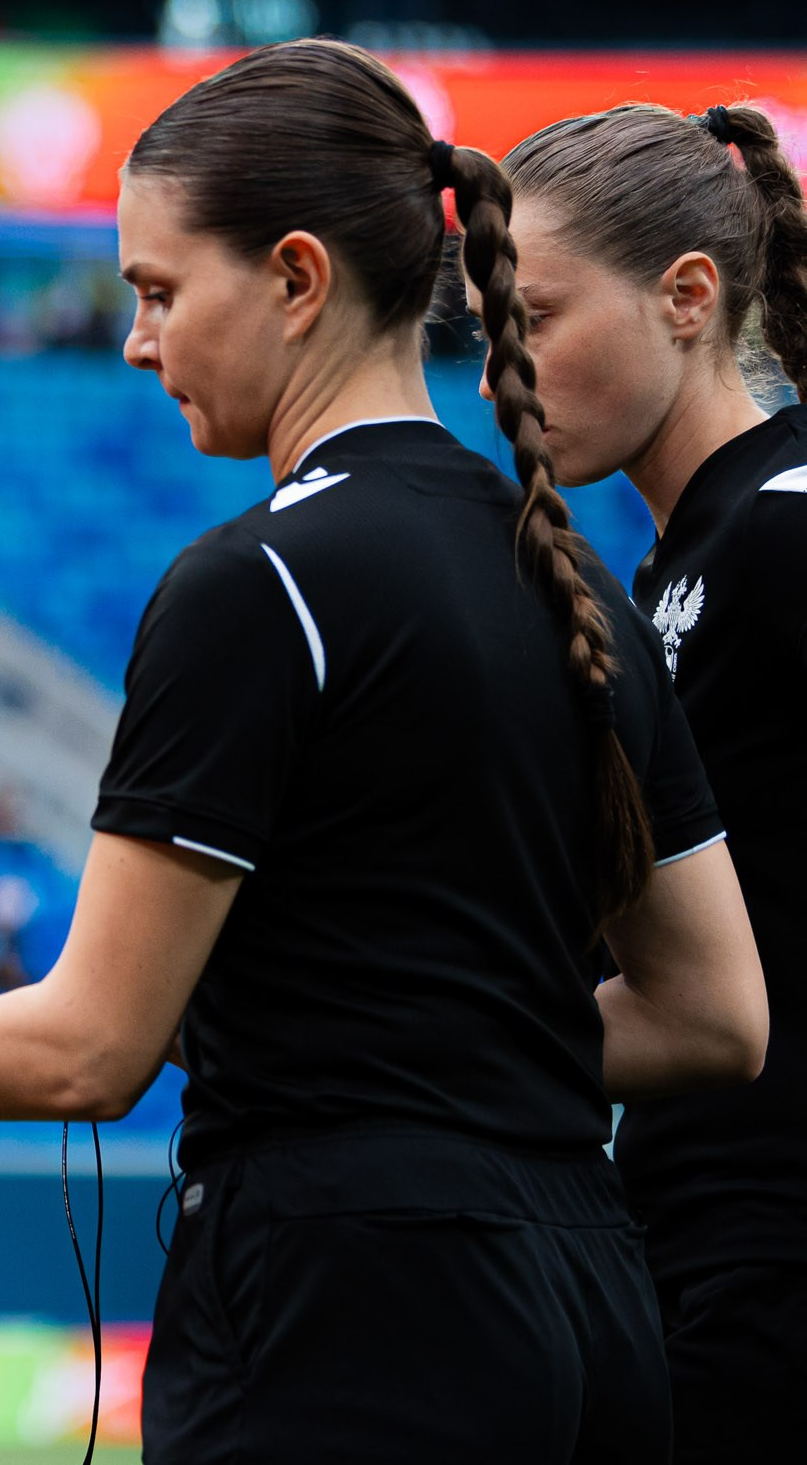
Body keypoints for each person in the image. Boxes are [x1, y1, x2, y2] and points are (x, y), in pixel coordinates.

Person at [0, 40, 771, 1464]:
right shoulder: (580, 581)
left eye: (160, 292)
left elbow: (90, 1053)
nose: (136, 342)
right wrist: (424, 1047)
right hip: (594, 1307)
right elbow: (715, 1017)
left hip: (349, 1314)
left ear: (298, 280)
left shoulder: (258, 585)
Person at [489, 99, 807, 1460]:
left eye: (535, 320)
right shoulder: (673, 570)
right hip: (690, 1235)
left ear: (688, 299)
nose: (501, 376)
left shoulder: (782, 536)